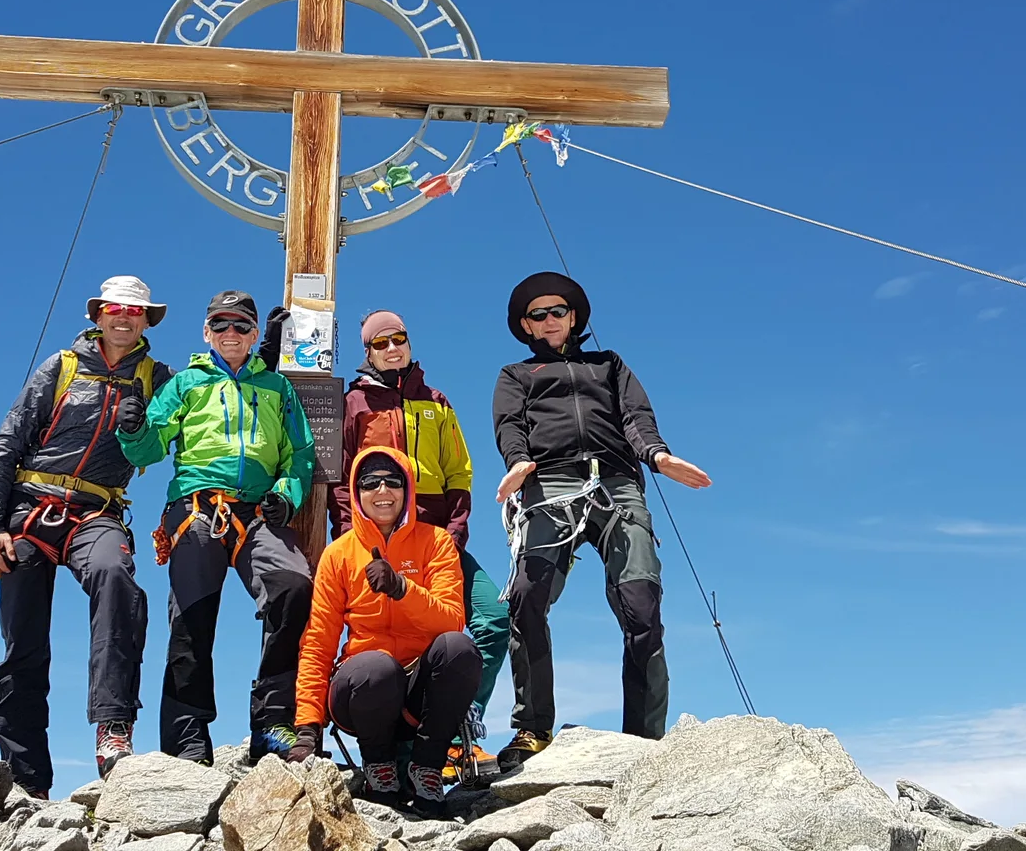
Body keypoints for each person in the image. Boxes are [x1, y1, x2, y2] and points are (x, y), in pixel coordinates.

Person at [489, 271, 713, 769]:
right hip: (549, 487)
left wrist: (657, 457)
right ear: (525, 326)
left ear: (574, 317)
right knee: (527, 598)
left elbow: (635, 417)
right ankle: (532, 729)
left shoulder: (608, 365)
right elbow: (508, 424)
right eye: (539, 314)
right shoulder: (515, 375)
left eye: (559, 311)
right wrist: (518, 462)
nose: (550, 320)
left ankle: (645, 743)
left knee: (641, 606)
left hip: (617, 484)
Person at [0, 275, 173, 794]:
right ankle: (26, 780)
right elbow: (8, 440)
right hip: (31, 511)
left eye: (135, 311)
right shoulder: (60, 367)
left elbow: (172, 433)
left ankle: (114, 728)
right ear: (97, 315)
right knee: (24, 642)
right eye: (114, 308)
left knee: (116, 577)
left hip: (97, 510)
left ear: (146, 320)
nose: (124, 317)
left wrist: (140, 430)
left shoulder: (158, 378)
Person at [117, 289, 317, 765]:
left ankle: (272, 724)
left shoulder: (278, 388)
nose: (232, 334)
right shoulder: (186, 383)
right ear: (206, 333)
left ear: (253, 336)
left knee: (293, 587)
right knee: (191, 615)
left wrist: (286, 496)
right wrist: (132, 430)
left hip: (258, 513)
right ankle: (187, 737)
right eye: (221, 326)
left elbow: (301, 454)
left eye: (242, 326)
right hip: (196, 509)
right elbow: (148, 450)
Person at [333, 310, 506, 776]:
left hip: (438, 543)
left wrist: (455, 533)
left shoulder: (436, 401)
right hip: (379, 546)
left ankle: (457, 727)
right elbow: (340, 475)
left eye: (399, 340)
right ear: (367, 352)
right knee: (388, 639)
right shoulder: (354, 403)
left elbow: (459, 472)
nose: (392, 349)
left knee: (492, 618)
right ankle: (397, 749)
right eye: (380, 343)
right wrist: (353, 534)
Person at [291, 446, 478, 816]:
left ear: (407, 489)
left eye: (392, 482)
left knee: (459, 648)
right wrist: (307, 725)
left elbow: (451, 620)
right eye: (370, 483)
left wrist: (402, 589)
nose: (382, 491)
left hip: (416, 695)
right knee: (377, 667)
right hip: (363, 692)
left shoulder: (436, 542)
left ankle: (427, 768)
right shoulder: (339, 554)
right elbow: (319, 641)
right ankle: (379, 768)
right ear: (356, 493)